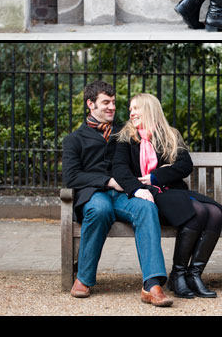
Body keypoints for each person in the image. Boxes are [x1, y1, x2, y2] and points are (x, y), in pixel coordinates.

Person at [113, 93, 222, 299]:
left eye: (136, 108)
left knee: (214, 213)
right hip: (149, 197)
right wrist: (140, 186)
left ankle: (193, 275)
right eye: (130, 109)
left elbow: (185, 165)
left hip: (172, 193)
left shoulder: (169, 135)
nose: (131, 113)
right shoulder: (125, 138)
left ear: (150, 109)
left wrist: (155, 176)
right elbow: (119, 169)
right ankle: (178, 275)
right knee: (197, 211)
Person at [61, 81, 172, 307]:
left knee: (147, 207)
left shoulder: (126, 133)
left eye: (113, 102)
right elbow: (71, 177)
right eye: (105, 102)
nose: (112, 107)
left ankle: (152, 285)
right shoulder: (74, 140)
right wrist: (108, 181)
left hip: (125, 194)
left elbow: (151, 151)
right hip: (95, 194)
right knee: (99, 209)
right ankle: (84, 278)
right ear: (90, 104)